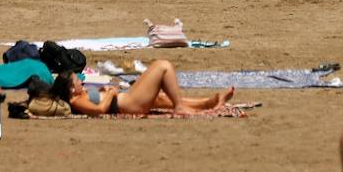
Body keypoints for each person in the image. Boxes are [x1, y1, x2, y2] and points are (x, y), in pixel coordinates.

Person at [52, 60, 233, 117]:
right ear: (70, 89)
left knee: (162, 97)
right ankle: (180, 107)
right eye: (76, 82)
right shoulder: (76, 100)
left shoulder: (80, 94)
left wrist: (104, 91)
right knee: (162, 66)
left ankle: (208, 103)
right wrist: (111, 93)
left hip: (128, 99)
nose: (80, 82)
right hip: (130, 103)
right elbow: (99, 110)